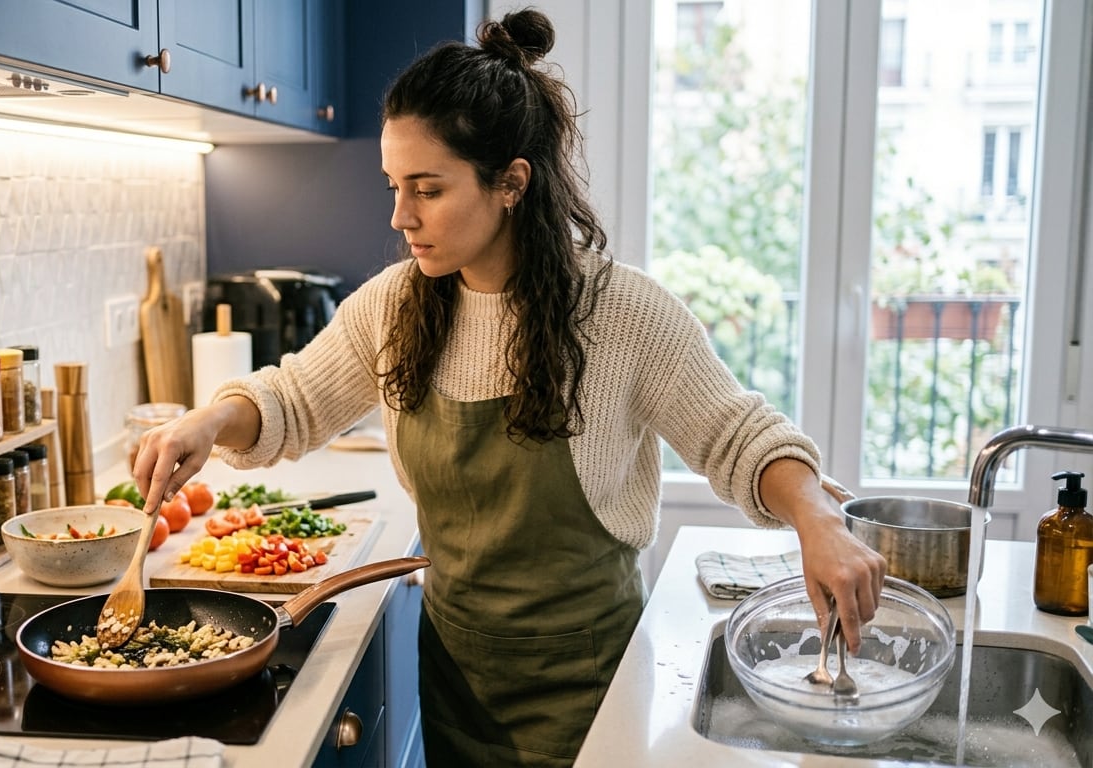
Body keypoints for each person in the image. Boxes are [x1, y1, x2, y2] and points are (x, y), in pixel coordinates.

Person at [133, 8, 887, 766]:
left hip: (592, 689)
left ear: (511, 183)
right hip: (458, 681)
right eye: (395, 187)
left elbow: (739, 436)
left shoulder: (622, 314)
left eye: (427, 189)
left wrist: (816, 518)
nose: (401, 216)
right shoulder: (396, 307)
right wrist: (207, 422)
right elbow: (292, 400)